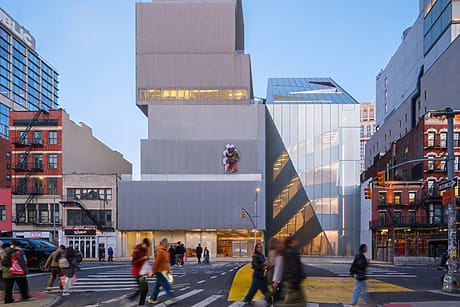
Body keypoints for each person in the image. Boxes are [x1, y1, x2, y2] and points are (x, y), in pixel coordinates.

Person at [148, 238, 176, 305]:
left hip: (164, 270)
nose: (167, 244)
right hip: (160, 271)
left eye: (167, 243)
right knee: (166, 285)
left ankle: (152, 299)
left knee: (157, 286)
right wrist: (153, 271)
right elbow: (157, 262)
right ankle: (171, 297)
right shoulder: (160, 251)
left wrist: (169, 271)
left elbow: (166, 262)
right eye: (166, 243)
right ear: (162, 243)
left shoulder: (165, 251)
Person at [279, 235, 305, 306]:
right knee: (300, 302)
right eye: (295, 240)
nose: (297, 241)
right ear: (291, 242)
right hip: (293, 281)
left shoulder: (287, 251)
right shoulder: (292, 252)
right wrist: (296, 281)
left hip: (289, 280)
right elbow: (294, 268)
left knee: (295, 301)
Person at [127, 238, 151, 307]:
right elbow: (133, 262)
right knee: (143, 288)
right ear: (143, 244)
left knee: (144, 289)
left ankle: (139, 303)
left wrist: (146, 259)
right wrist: (142, 259)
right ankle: (132, 299)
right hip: (137, 272)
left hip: (143, 272)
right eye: (146, 246)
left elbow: (145, 261)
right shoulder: (137, 250)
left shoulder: (144, 250)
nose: (146, 248)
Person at [267, 238, 282, 303]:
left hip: (273, 273)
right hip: (274, 273)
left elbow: (271, 262)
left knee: (276, 289)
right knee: (276, 289)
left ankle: (271, 299)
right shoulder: (274, 251)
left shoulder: (272, 251)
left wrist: (267, 265)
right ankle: (273, 300)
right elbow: (272, 262)